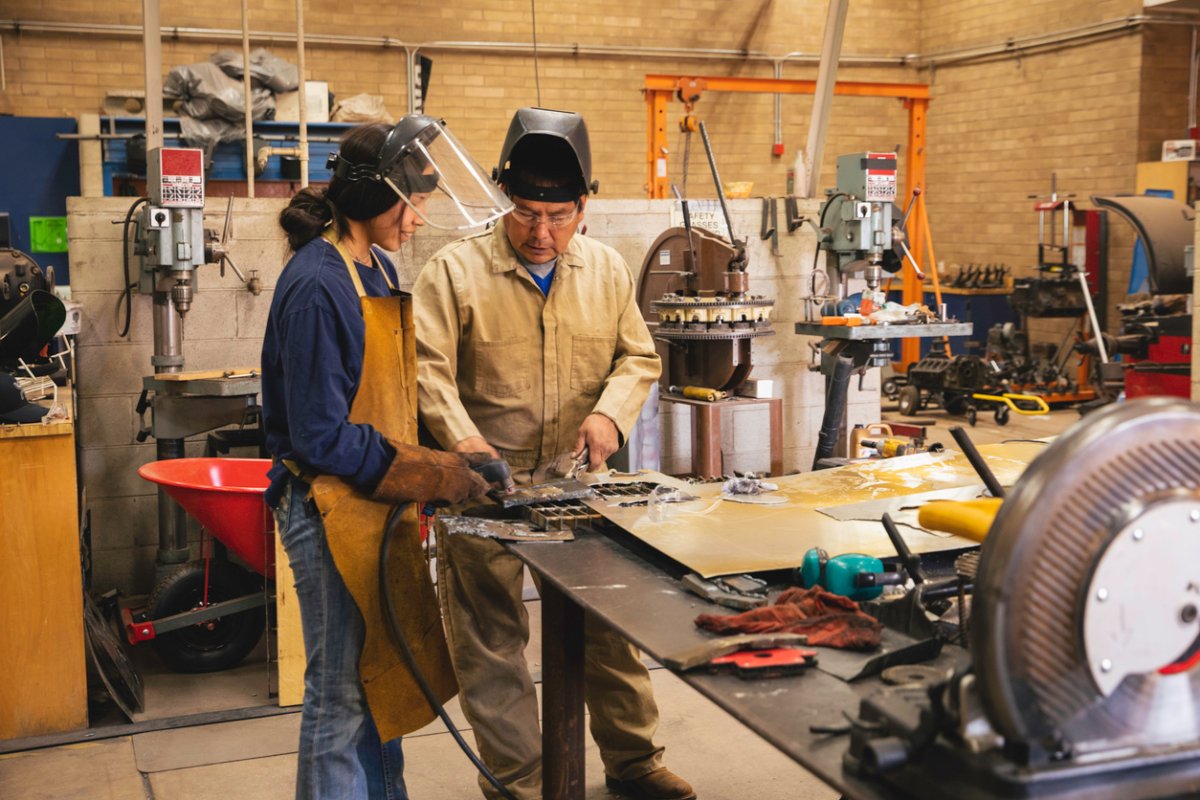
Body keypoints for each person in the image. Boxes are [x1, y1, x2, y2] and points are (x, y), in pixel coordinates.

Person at [414, 107, 696, 800]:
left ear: (585, 207)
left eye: (559, 215)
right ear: (506, 199)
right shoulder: (453, 273)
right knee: (490, 639)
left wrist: (610, 416)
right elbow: (425, 369)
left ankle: (634, 762)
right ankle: (518, 778)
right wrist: (464, 440)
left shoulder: (604, 271)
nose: (541, 233)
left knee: (608, 625)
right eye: (527, 213)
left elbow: (637, 358)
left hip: (579, 484)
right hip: (485, 488)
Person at [262, 116, 512, 800]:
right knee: (340, 696)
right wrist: (432, 472)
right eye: (414, 201)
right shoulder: (320, 283)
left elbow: (385, 404)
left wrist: (451, 456)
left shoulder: (373, 264)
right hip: (328, 506)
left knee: (380, 685)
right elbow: (320, 435)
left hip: (371, 503)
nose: (422, 216)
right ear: (375, 200)